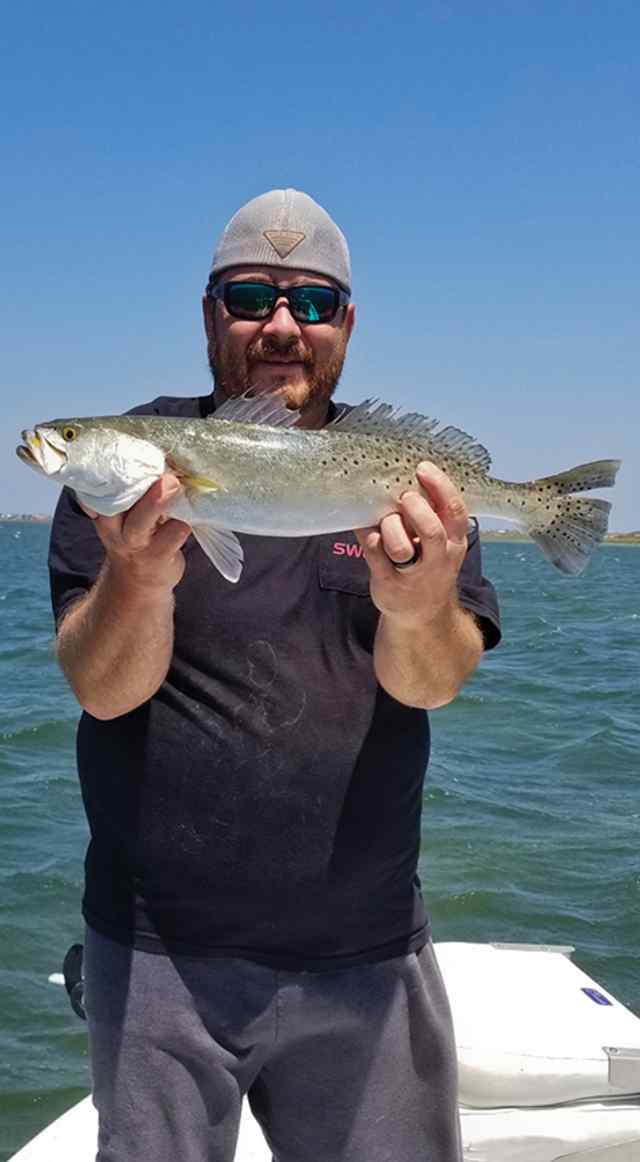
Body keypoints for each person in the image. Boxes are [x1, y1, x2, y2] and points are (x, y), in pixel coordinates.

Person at [49, 188, 501, 1162]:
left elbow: (432, 682)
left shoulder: (408, 477)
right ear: (211, 312)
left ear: (347, 323)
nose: (281, 324)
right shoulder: (135, 467)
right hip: (156, 953)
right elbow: (102, 688)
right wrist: (136, 575)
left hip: (365, 950)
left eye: (312, 302)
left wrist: (419, 608)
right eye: (251, 294)